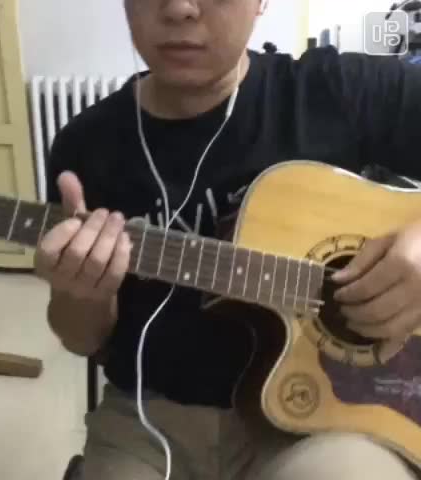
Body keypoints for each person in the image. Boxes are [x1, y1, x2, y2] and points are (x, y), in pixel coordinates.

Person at [34, 1, 421, 479]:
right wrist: (80, 294)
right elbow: (82, 339)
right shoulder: (84, 146)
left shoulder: (338, 90)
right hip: (150, 418)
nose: (179, 7)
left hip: (334, 417)